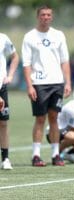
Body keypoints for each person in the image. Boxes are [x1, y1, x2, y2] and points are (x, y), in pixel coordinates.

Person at [22, 5, 71, 167]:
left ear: (52, 17)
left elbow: (64, 60)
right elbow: (27, 64)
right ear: (38, 17)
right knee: (40, 119)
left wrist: (68, 82)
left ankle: (56, 154)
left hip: (57, 82)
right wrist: (29, 86)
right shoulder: (30, 37)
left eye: (48, 15)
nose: (45, 17)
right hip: (39, 83)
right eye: (43, 15)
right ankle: (36, 155)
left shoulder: (58, 35)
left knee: (54, 118)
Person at [0, 33, 19, 170]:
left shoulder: (4, 38)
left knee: (3, 123)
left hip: (1, 87)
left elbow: (15, 56)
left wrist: (10, 75)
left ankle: (5, 158)